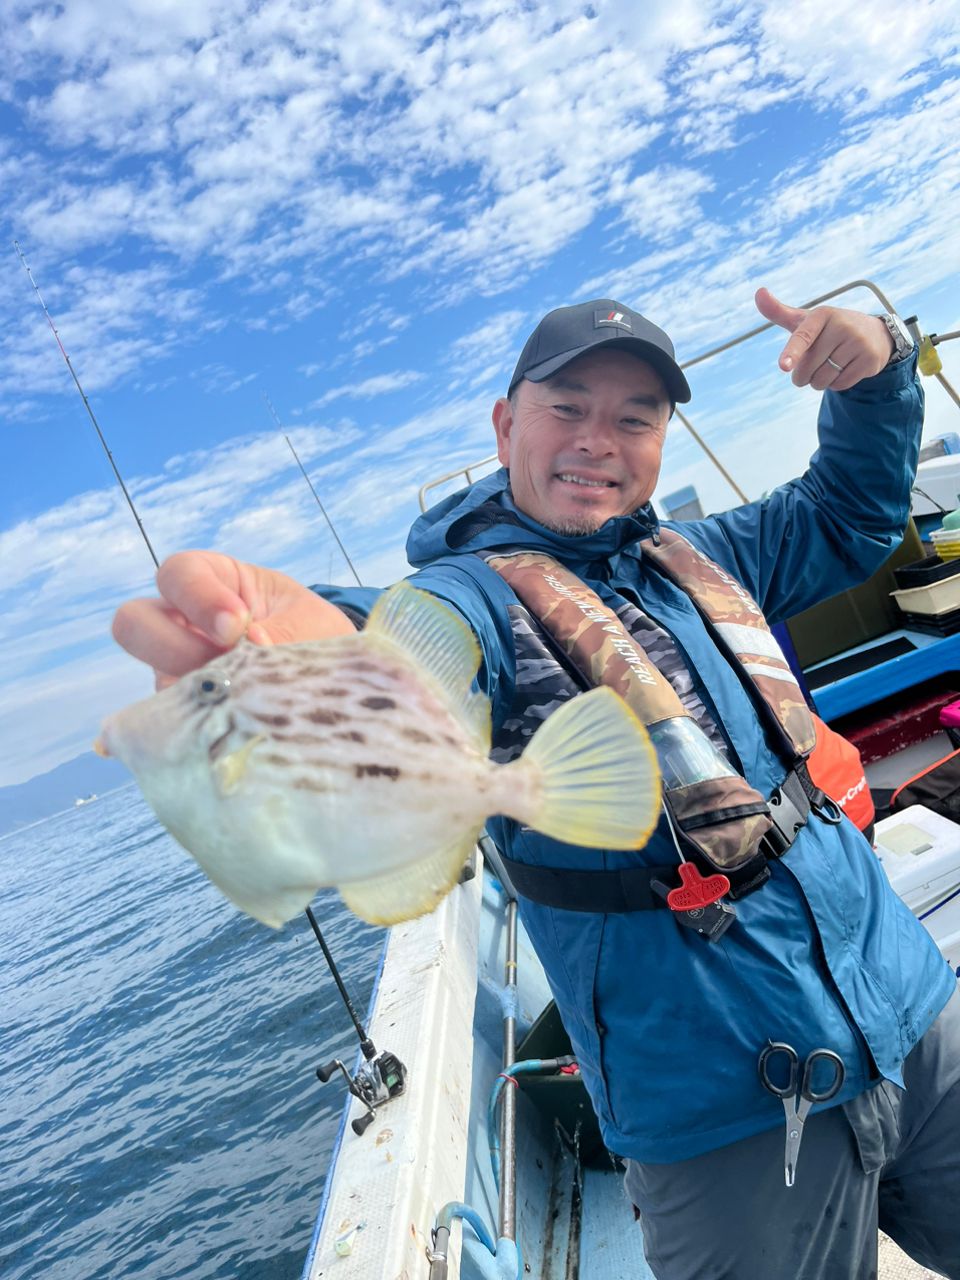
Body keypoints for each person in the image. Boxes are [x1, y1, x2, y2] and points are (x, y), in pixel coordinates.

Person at [112, 288, 960, 1279]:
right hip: (725, 1104)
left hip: (911, 1003)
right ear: (505, 423)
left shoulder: (701, 556)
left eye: (635, 416)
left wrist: (881, 372)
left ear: (661, 440)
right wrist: (307, 660)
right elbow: (399, 641)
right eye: (567, 406)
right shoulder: (463, 594)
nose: (599, 438)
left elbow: (849, 511)